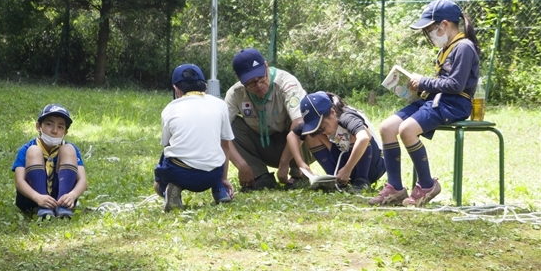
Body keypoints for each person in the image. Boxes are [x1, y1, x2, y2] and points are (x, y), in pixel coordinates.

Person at [370, 0, 480, 207]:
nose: (428, 34)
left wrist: (425, 82)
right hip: (435, 100)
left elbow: (456, 85)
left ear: (444, 25)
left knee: (407, 130)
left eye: (430, 29)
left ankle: (427, 185)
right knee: (386, 127)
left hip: (454, 104)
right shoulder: (446, 48)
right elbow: (442, 83)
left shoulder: (464, 47)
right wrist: (417, 86)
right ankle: (395, 188)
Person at [224, 48, 313, 191]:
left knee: (303, 121)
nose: (258, 85)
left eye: (261, 78)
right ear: (240, 80)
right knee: (230, 125)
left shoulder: (286, 83)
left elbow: (299, 123)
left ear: (266, 66)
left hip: (295, 146)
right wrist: (242, 165)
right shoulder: (235, 93)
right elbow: (221, 131)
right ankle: (259, 176)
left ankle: (299, 174)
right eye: (251, 83)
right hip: (264, 146)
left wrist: (284, 164)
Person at [154, 63, 235, 212]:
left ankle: (170, 189)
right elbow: (225, 145)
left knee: (165, 157)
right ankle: (219, 189)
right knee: (215, 149)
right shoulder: (220, 105)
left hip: (180, 174)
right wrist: (223, 178)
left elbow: (166, 144)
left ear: (176, 89)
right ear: (205, 88)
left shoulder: (169, 109)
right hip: (213, 173)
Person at [288, 91, 386, 192]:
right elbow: (291, 136)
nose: (323, 132)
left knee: (358, 134)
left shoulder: (347, 117)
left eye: (322, 127)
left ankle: (362, 181)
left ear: (333, 112)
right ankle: (335, 181)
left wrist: (347, 168)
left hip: (372, 165)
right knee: (311, 135)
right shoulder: (327, 121)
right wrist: (301, 164)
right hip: (345, 158)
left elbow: (364, 138)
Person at [12, 104, 88, 218]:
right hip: (32, 200)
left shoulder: (71, 149)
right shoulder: (26, 148)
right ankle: (43, 207)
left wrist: (72, 195)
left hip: (65, 199)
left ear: (65, 132)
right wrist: (38, 198)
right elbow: (19, 182)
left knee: (68, 149)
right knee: (34, 151)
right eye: (49, 124)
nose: (54, 130)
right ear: (38, 126)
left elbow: (83, 181)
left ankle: (62, 206)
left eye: (60, 127)